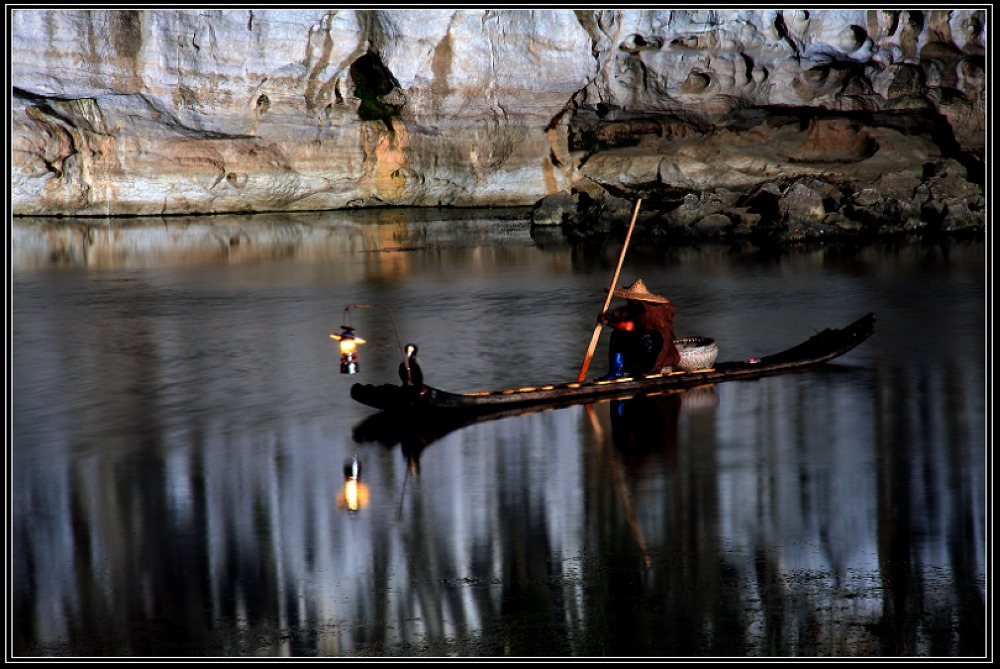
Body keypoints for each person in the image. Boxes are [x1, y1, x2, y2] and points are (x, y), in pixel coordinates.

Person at [598, 279, 680, 379]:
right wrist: (609, 319)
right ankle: (621, 369)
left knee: (618, 334)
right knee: (620, 334)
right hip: (647, 349)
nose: (628, 301)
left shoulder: (647, 311)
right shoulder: (637, 308)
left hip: (652, 355)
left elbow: (629, 327)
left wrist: (609, 322)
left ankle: (618, 371)